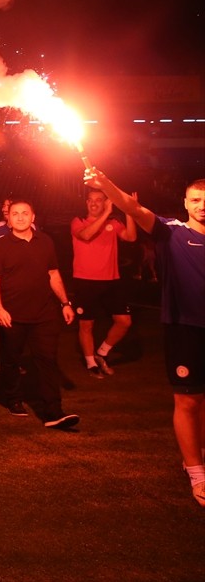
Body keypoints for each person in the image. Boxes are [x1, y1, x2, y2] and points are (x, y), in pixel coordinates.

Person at [85, 169, 205, 508]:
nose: (202, 206)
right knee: (188, 400)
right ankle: (196, 473)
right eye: (196, 200)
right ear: (185, 203)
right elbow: (133, 208)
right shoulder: (171, 232)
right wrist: (105, 184)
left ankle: (199, 453)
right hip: (184, 329)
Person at [0, 200, 79, 430]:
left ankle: (53, 412)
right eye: (15, 214)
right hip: (11, 315)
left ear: (33, 217)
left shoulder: (45, 242)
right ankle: (14, 399)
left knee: (47, 360)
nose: (20, 217)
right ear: (8, 219)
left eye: (25, 213)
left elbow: (53, 274)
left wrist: (65, 303)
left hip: (44, 314)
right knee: (11, 360)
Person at [71, 188, 137, 378]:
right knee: (87, 325)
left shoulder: (113, 223)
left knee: (124, 321)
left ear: (106, 202)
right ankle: (91, 363)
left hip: (111, 280)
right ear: (86, 203)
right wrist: (106, 213)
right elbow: (86, 235)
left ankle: (102, 353)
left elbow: (131, 237)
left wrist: (129, 211)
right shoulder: (78, 221)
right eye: (90, 200)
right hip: (85, 280)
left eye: (99, 200)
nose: (94, 203)